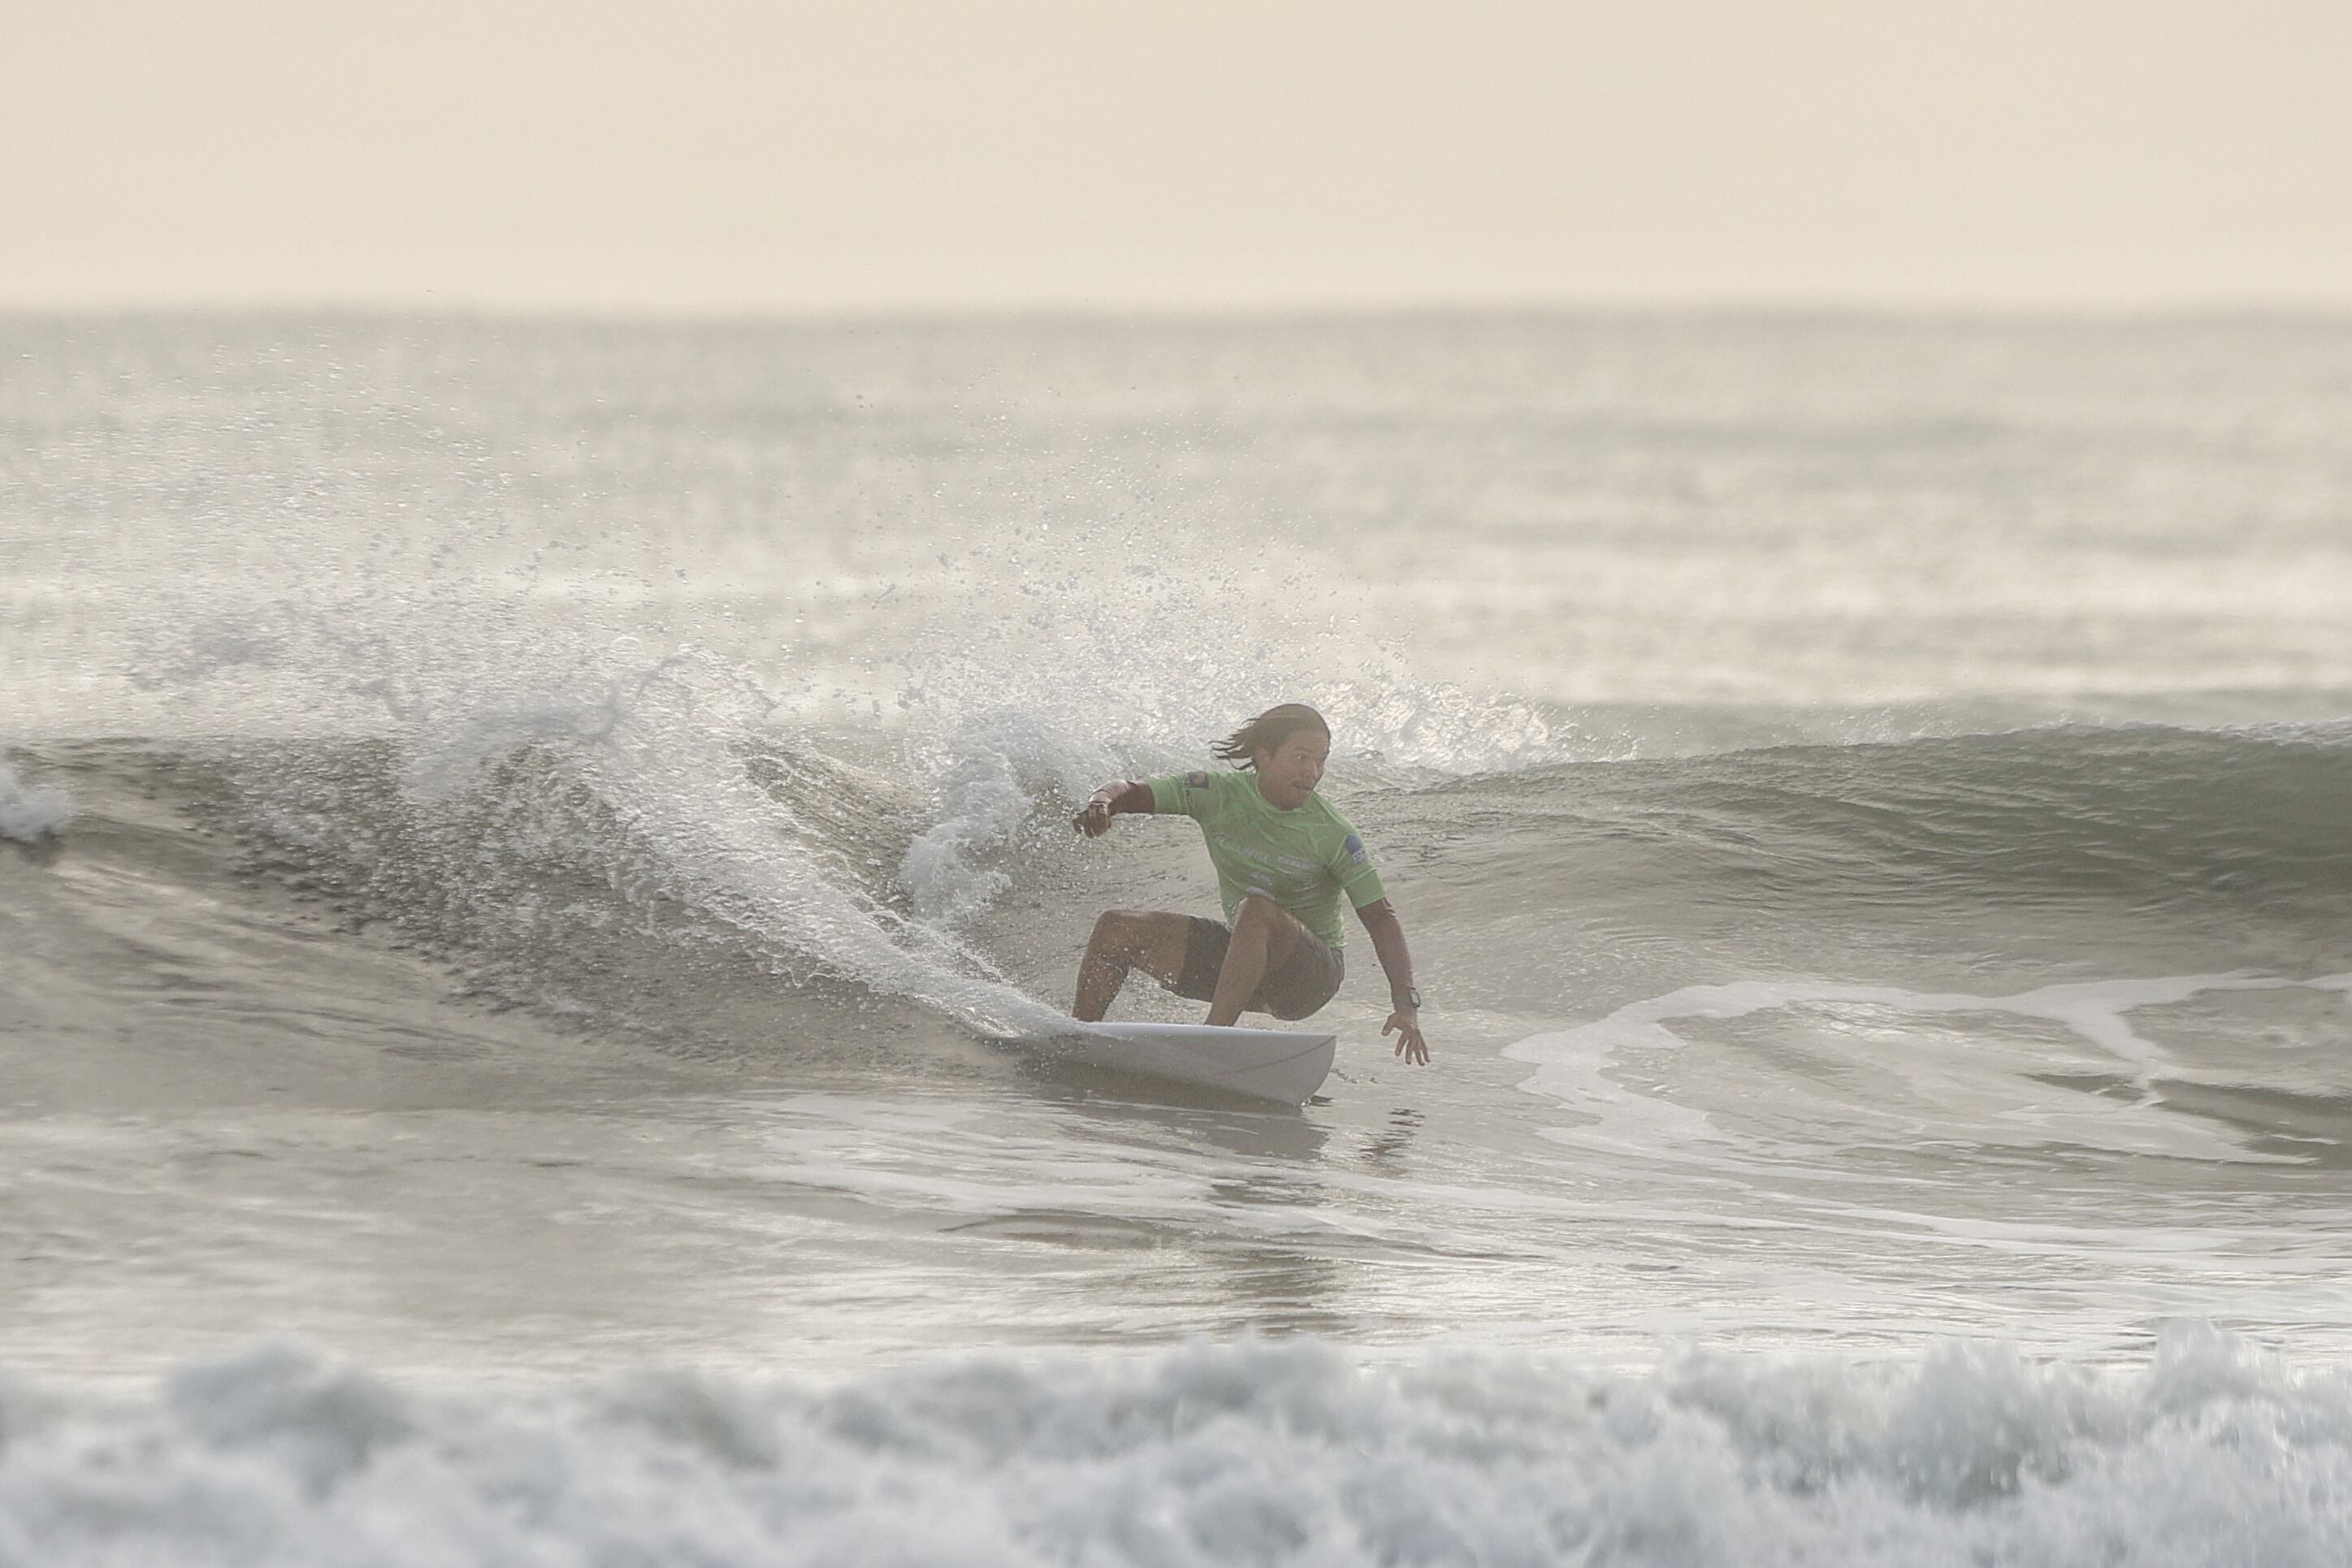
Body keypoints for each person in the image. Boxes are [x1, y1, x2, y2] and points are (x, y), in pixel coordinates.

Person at [1070, 703, 1430, 1065]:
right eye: (1302, 757)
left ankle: (1212, 1040)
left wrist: (1405, 1004)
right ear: (1264, 756)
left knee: (1256, 909)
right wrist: (1102, 803)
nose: (1313, 772)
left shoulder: (1334, 834)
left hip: (1309, 978)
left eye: (1321, 759)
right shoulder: (1218, 794)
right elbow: (1129, 791)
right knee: (1115, 928)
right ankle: (1078, 1041)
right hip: (1242, 964)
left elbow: (1381, 918)